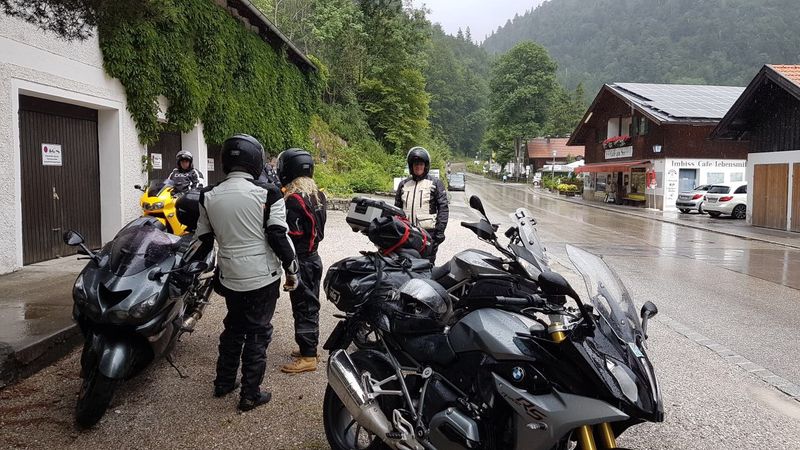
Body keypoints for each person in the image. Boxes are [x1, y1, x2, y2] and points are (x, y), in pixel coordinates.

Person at [194, 134, 299, 412]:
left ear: (225, 160)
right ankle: (250, 394)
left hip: (228, 275)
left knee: (233, 327)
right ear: (256, 160)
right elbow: (278, 235)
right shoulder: (270, 193)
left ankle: (224, 382)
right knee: (258, 332)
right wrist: (292, 268)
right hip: (262, 278)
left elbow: (203, 240)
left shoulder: (208, 195)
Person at [275, 149, 327, 374]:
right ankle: (309, 347)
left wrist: (289, 266)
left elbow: (292, 236)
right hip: (314, 258)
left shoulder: (294, 199)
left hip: (302, 261)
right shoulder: (318, 195)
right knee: (310, 304)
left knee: (304, 306)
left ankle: (308, 356)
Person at [394, 147, 449, 263]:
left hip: (428, 234)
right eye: (415, 164)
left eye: (420, 164)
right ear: (411, 166)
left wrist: (439, 233)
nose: (418, 167)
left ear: (425, 166)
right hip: (406, 233)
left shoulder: (435, 183)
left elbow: (443, 209)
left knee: (426, 266)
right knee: (404, 265)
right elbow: (397, 210)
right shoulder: (403, 185)